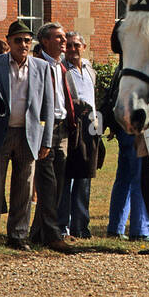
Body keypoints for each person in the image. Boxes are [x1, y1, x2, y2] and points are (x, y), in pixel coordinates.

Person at [0, 21, 54, 250]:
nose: (23, 44)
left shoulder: (41, 67)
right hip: (0, 133)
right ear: (8, 41)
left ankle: (18, 235)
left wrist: (46, 139)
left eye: (27, 40)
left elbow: (48, 106)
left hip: (29, 135)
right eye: (18, 40)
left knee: (25, 186)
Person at [31, 22, 76, 251]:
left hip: (62, 129)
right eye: (58, 37)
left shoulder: (61, 67)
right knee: (47, 184)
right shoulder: (37, 65)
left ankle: (38, 232)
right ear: (45, 41)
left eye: (63, 37)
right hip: (44, 128)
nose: (63, 41)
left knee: (58, 184)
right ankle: (51, 234)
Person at [59, 31, 100, 240]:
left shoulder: (90, 70)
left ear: (84, 46)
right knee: (66, 178)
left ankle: (81, 226)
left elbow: (94, 99)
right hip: (71, 127)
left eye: (76, 45)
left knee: (85, 178)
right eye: (69, 45)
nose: (73, 49)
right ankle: (63, 227)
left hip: (91, 127)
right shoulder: (62, 70)